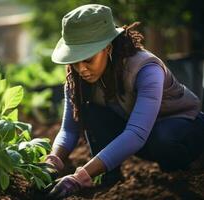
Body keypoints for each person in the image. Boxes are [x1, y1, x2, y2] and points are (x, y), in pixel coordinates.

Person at [42, 4, 204, 199]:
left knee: (163, 139)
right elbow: (69, 129)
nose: (81, 68)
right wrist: (51, 164)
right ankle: (110, 177)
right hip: (143, 139)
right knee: (90, 110)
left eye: (87, 59)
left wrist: (79, 177)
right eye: (75, 61)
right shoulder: (77, 80)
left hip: (182, 130)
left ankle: (191, 169)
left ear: (107, 48)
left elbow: (136, 133)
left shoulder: (146, 69)